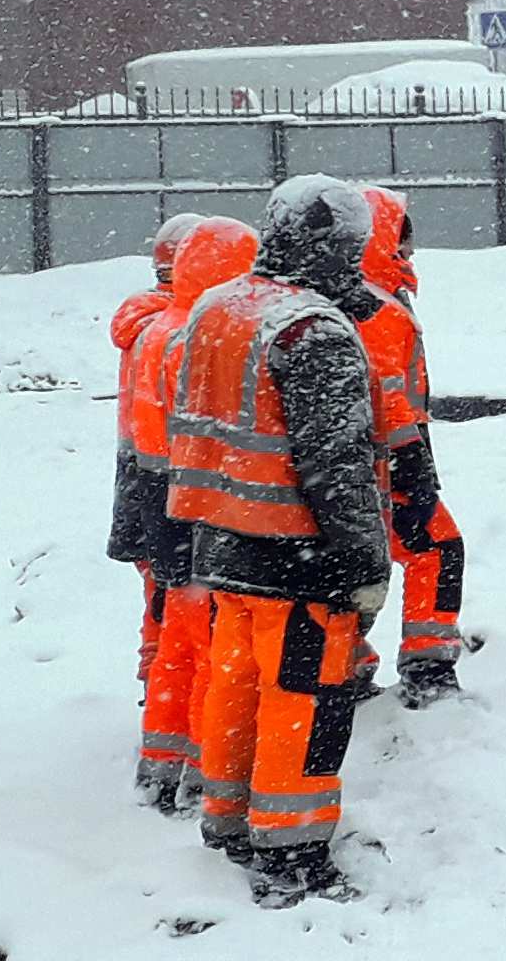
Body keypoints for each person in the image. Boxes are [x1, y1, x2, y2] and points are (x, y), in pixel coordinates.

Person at [167, 176, 393, 907]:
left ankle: (229, 818)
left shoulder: (215, 307)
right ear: (332, 247)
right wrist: (365, 561)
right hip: (299, 553)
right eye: (351, 250)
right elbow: (339, 465)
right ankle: (291, 850)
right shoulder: (313, 333)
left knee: (236, 686)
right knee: (307, 700)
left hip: (222, 547)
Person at [109, 214, 256, 808]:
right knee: (215, 649)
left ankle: (162, 757)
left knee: (176, 641)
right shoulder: (199, 338)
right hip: (196, 505)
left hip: (156, 499)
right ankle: (203, 766)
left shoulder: (155, 331)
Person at [353, 187, 469, 708]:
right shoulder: (375, 308)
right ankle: (427, 670)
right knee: (436, 548)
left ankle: (344, 672)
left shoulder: (363, 298)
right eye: (403, 241)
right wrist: (414, 470)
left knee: (352, 571)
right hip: (382, 465)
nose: (411, 252)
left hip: (361, 466)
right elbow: (389, 397)